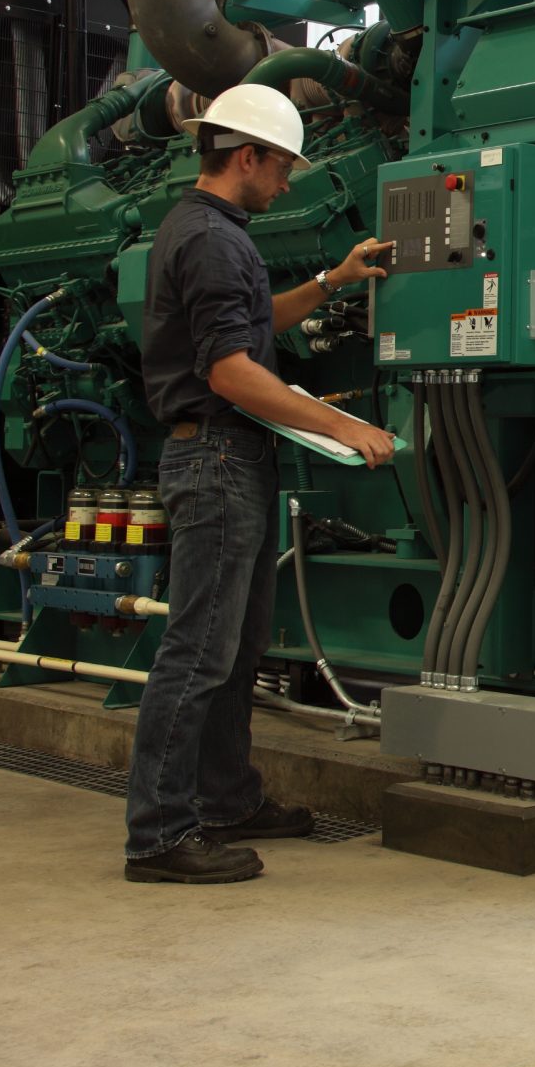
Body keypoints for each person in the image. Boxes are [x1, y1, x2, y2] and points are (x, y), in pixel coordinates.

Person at [123, 83, 396, 885]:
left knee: (235, 649)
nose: (288, 183)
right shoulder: (211, 239)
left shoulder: (211, 232)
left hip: (224, 458)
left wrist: (332, 279)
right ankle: (160, 834)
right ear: (247, 156)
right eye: (283, 167)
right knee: (200, 652)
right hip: (215, 457)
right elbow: (231, 370)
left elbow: (247, 324)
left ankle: (226, 797)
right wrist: (341, 426)